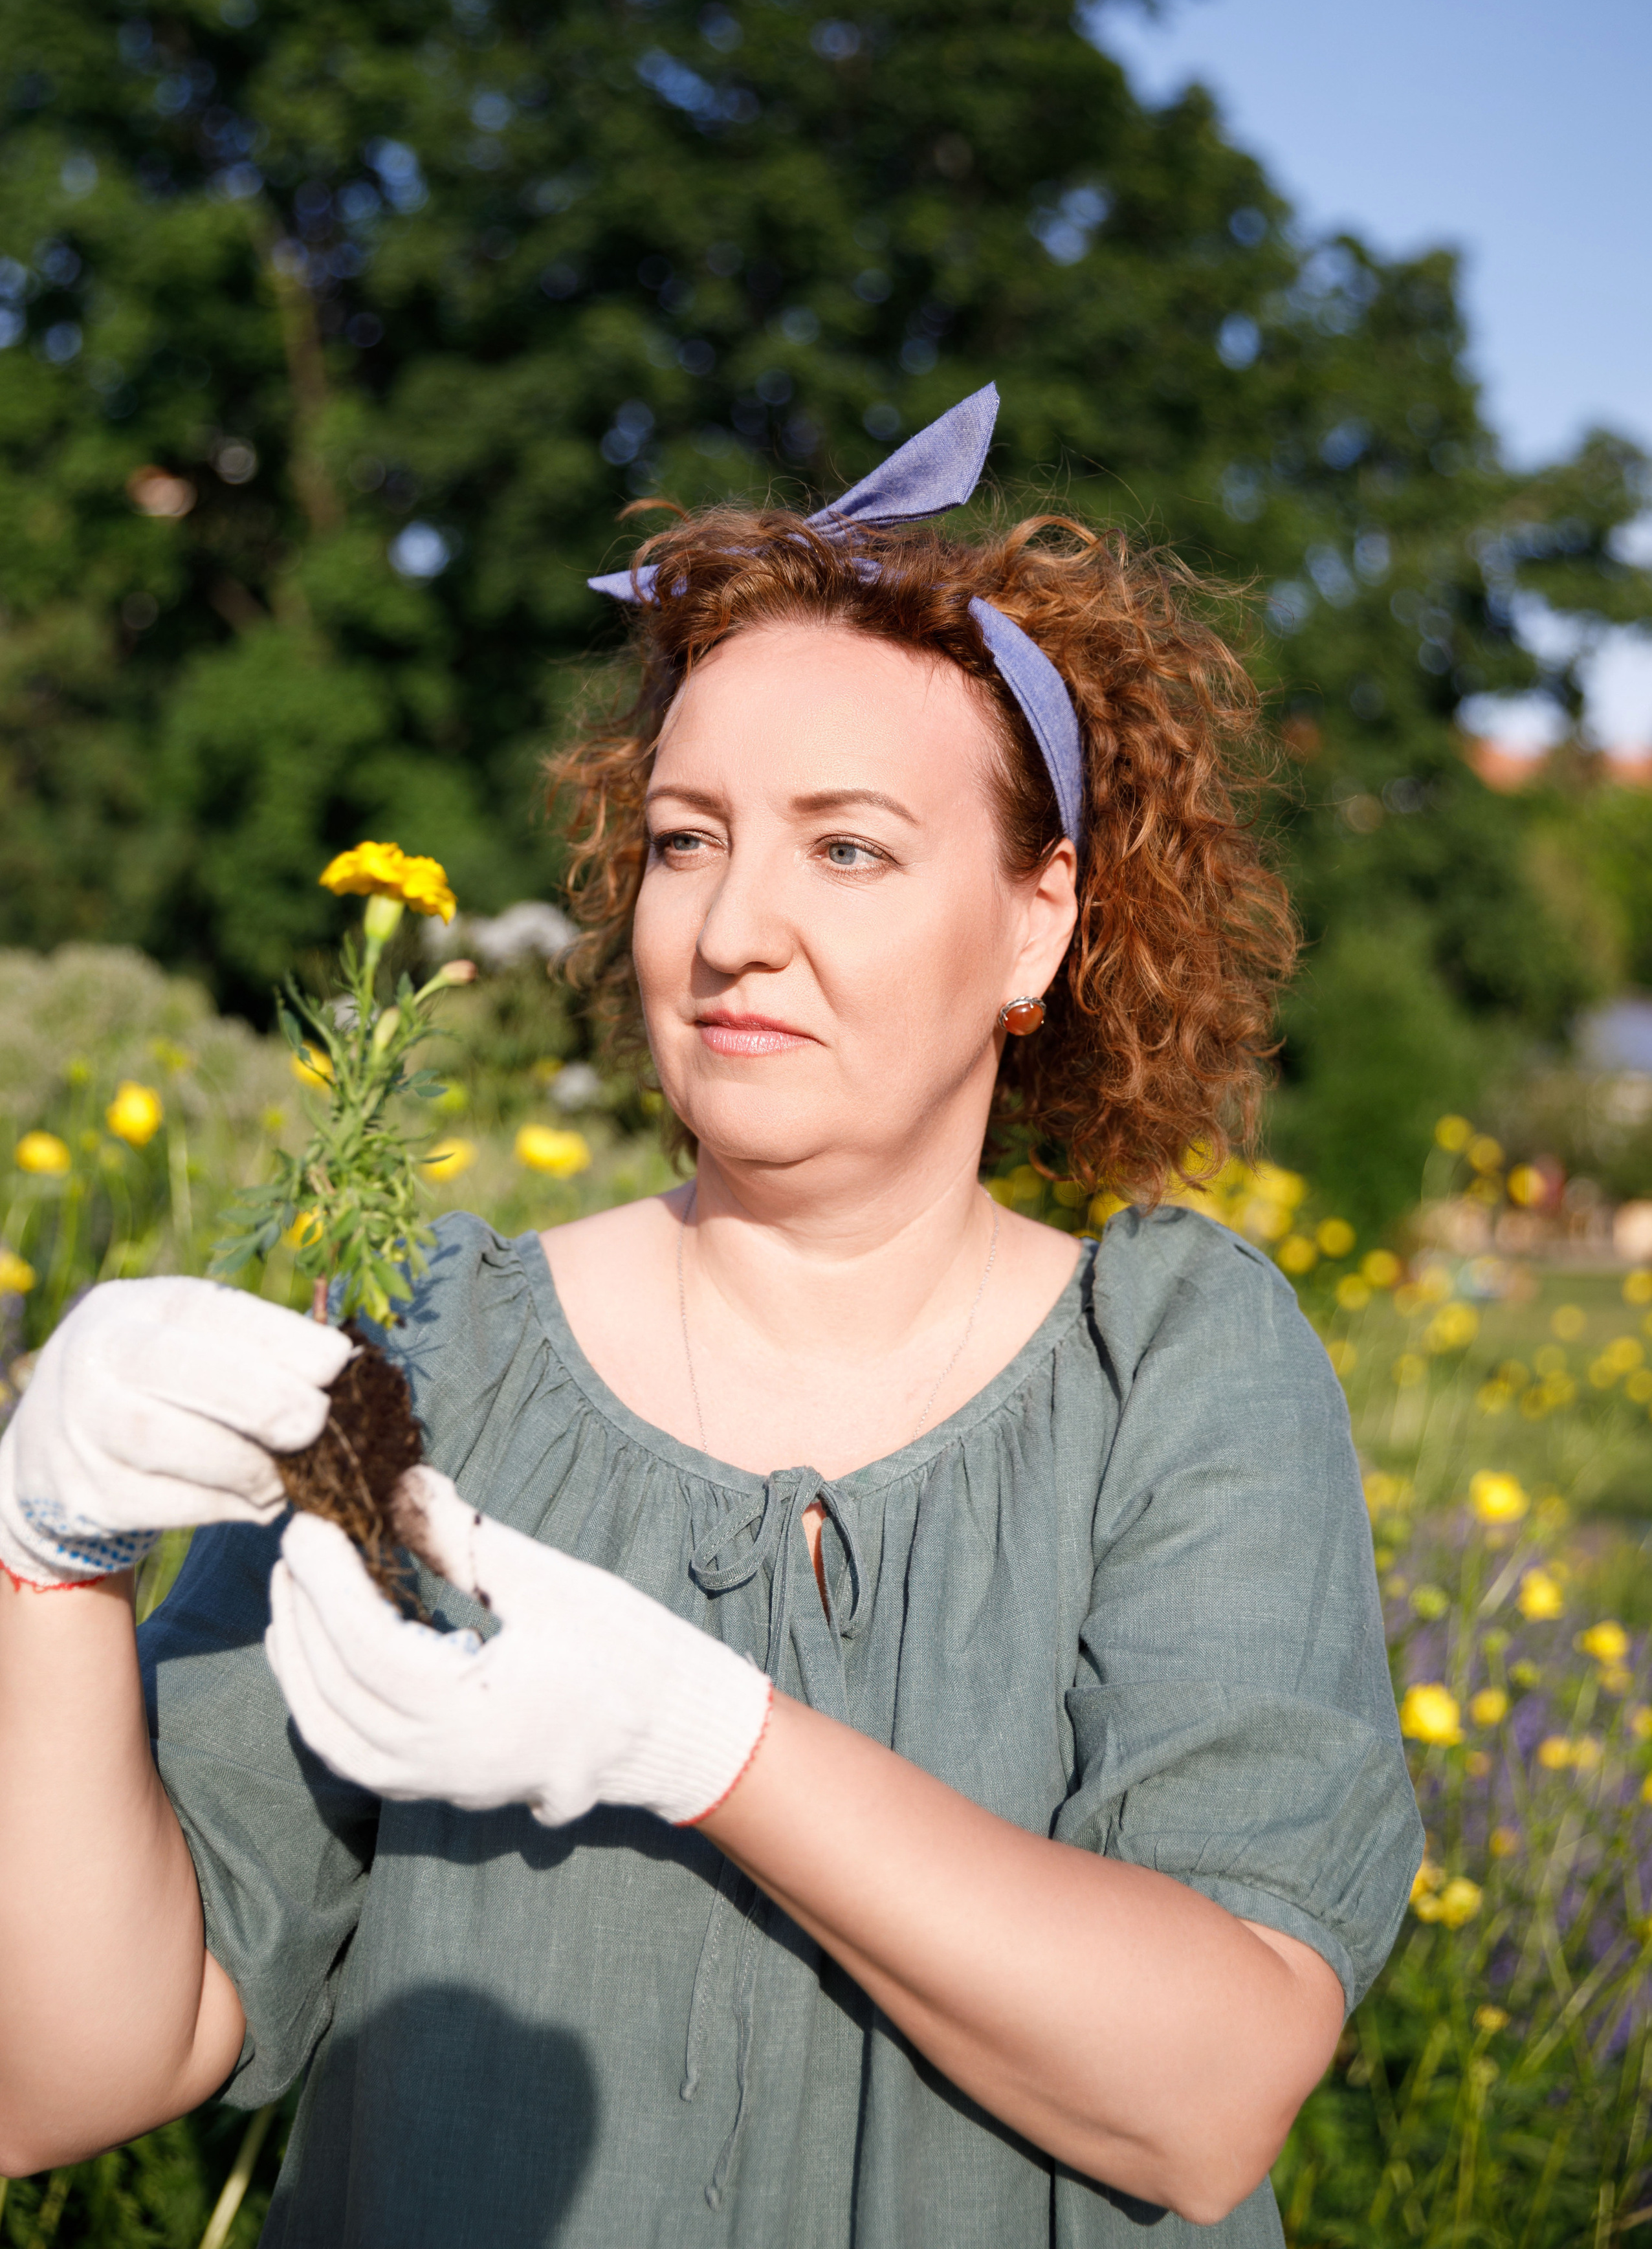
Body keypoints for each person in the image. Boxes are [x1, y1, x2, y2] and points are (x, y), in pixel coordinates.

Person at [0, 388, 1420, 2246]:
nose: (733, 924)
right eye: (686, 839)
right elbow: (66, 2077)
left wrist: (699, 1739)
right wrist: (48, 1566)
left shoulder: (1174, 1367)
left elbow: (1209, 2099)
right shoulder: (438, 1346)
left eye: (847, 848)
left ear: (1035, 926)